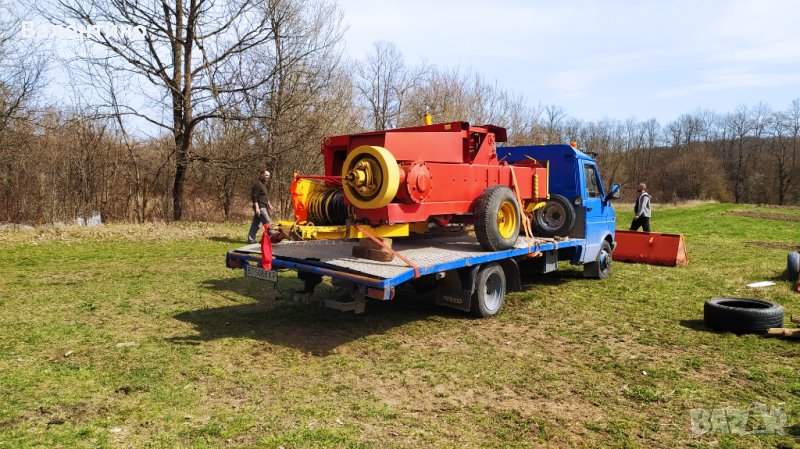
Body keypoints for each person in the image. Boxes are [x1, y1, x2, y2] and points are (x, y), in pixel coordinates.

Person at [248, 169, 275, 244]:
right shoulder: (257, 184)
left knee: (255, 224)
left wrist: (269, 204)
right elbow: (254, 197)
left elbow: (264, 196)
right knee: (267, 222)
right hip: (260, 207)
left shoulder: (263, 185)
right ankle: (274, 237)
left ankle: (251, 239)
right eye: (266, 175)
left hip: (263, 206)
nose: (268, 177)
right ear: (261, 174)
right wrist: (257, 208)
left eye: (269, 176)